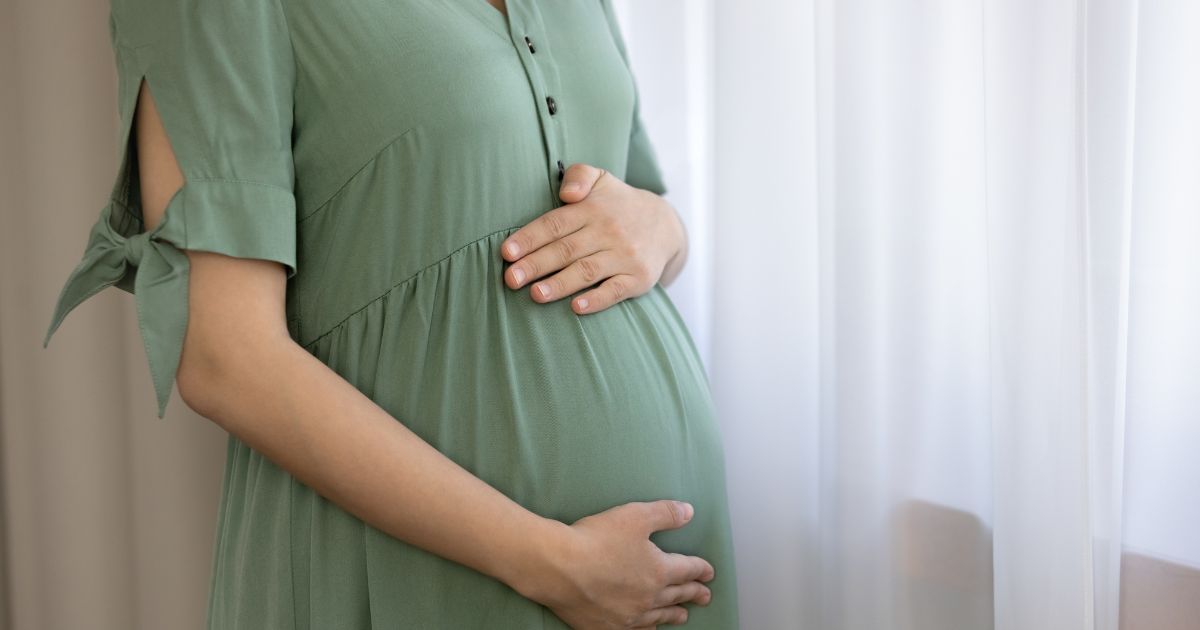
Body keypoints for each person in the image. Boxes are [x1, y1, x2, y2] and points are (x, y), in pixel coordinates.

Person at [42, 0, 741, 627]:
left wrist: (665, 231)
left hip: (655, 581)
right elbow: (225, 359)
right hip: (442, 570)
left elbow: (637, 208)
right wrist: (555, 562)